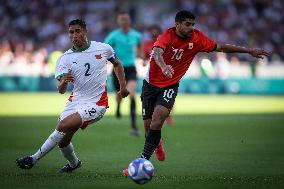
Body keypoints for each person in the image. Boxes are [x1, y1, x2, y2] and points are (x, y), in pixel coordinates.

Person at [122, 10, 270, 176]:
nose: (191, 28)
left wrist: (249, 51)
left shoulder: (198, 39)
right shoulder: (167, 36)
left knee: (157, 121)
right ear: (177, 24)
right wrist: (164, 66)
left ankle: (141, 162)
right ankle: (158, 143)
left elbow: (220, 47)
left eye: (193, 24)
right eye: (187, 24)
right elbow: (157, 52)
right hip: (150, 86)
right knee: (149, 129)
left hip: (170, 85)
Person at [16, 19, 129, 173]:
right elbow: (61, 90)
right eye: (71, 32)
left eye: (78, 31)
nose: (74, 35)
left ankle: (33, 159)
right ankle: (74, 164)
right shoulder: (64, 58)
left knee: (62, 126)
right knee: (63, 141)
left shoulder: (103, 49)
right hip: (75, 101)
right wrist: (63, 82)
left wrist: (122, 87)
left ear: (85, 32)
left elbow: (117, 64)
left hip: (97, 104)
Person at [104, 11, 143, 137]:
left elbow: (140, 47)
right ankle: (118, 107)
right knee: (120, 94)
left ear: (129, 20)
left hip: (131, 68)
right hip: (117, 69)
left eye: (126, 19)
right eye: (122, 19)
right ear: (118, 21)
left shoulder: (136, 35)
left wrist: (141, 57)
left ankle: (134, 126)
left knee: (132, 94)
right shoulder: (113, 36)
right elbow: (105, 49)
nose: (124, 21)